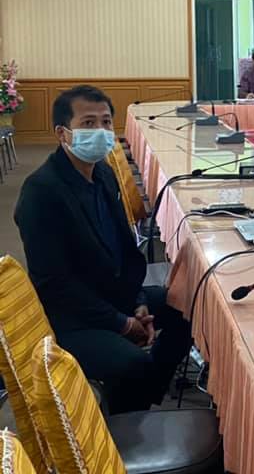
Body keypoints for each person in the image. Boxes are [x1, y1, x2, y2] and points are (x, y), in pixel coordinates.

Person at [14, 86, 192, 413]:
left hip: (112, 295)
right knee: (133, 363)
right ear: (62, 133)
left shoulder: (104, 174)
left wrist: (138, 303)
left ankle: (145, 394)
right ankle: (126, 423)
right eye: (88, 123)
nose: (100, 131)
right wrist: (122, 323)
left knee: (188, 307)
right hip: (71, 316)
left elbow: (126, 252)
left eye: (106, 122)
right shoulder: (42, 192)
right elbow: (55, 285)